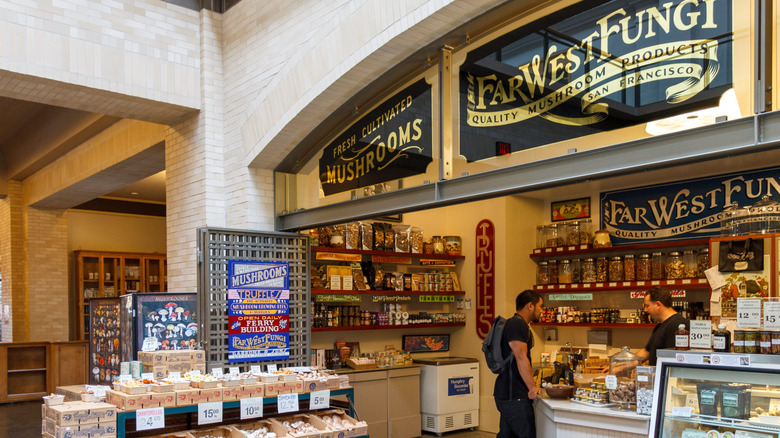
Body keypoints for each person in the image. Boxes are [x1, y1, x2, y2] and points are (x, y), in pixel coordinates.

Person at [494, 289, 543, 438]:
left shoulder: (514, 323)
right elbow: (521, 357)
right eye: (540, 306)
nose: (541, 310)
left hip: (506, 394)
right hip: (514, 396)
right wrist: (532, 387)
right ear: (530, 306)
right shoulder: (518, 325)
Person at [636, 286, 689, 365]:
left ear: (658, 305)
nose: (645, 310)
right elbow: (647, 351)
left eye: (647, 306)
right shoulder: (660, 325)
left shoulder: (677, 325)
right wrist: (619, 366)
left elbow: (673, 359)